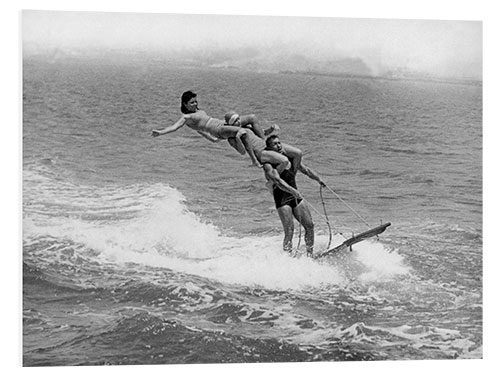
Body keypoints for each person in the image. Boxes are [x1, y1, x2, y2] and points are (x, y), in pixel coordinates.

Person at [262, 134, 326, 256]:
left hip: (295, 196)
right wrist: (291, 191)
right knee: (290, 231)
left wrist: (319, 179)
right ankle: (287, 259)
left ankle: (309, 255)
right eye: (274, 144)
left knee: (310, 226)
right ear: (270, 150)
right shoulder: (268, 165)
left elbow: (306, 170)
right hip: (282, 198)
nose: (278, 145)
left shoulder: (290, 159)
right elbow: (277, 182)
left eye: (279, 143)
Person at [224, 111, 302, 173]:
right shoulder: (232, 138)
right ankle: (273, 181)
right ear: (231, 124)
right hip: (261, 152)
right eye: (236, 121)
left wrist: (270, 129)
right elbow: (242, 151)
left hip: (267, 144)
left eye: (238, 119)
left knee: (298, 153)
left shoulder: (245, 127)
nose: (239, 121)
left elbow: (262, 132)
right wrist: (238, 137)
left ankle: (292, 175)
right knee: (284, 161)